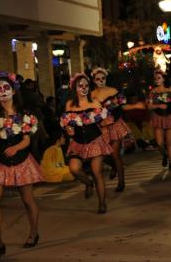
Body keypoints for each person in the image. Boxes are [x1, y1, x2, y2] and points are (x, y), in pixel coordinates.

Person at [0, 72, 43, 261]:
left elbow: (27, 140)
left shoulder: (25, 114)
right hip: (0, 162)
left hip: (21, 160)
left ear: (14, 90)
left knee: (27, 200)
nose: (3, 91)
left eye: (6, 88)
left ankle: (33, 232)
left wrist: (16, 147)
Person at [60, 73, 113, 214]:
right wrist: (69, 129)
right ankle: (88, 182)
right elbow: (67, 123)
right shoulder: (69, 105)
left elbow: (100, 120)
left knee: (97, 172)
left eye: (86, 85)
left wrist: (105, 122)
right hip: (77, 142)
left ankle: (102, 203)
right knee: (74, 169)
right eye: (80, 86)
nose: (83, 88)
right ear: (74, 88)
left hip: (95, 140)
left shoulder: (94, 103)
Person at [91, 67, 146, 191]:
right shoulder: (91, 95)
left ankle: (121, 182)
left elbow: (123, 107)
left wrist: (135, 105)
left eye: (103, 78)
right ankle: (114, 167)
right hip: (101, 127)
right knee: (104, 153)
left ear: (106, 79)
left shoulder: (113, 91)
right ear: (94, 80)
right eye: (98, 79)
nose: (100, 81)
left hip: (115, 124)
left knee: (115, 153)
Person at [147, 70, 171, 171]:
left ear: (164, 79)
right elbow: (149, 107)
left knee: (169, 142)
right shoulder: (153, 91)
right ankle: (164, 155)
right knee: (159, 143)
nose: (157, 80)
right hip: (158, 117)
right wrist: (158, 105)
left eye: (159, 78)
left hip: (170, 117)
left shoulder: (170, 89)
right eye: (155, 78)